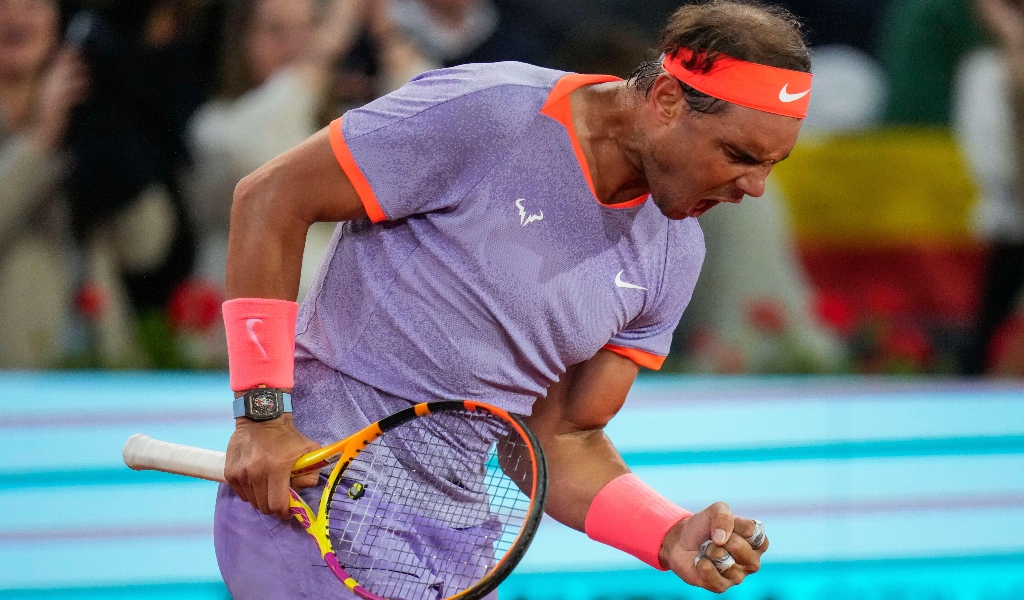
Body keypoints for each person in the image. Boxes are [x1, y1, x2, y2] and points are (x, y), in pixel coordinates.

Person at [214, 1, 810, 597]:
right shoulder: (489, 111)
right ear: (666, 101)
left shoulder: (675, 255)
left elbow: (561, 439)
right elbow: (270, 198)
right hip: (315, 508)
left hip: (457, 545)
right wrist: (263, 418)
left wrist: (669, 532)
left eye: (772, 166)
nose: (755, 188)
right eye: (739, 156)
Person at [0, 0, 85, 367]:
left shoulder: (87, 124)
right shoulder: (49, 133)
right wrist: (40, 140)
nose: (15, 16)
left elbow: (145, 244)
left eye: (32, 4)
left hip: (102, 365)